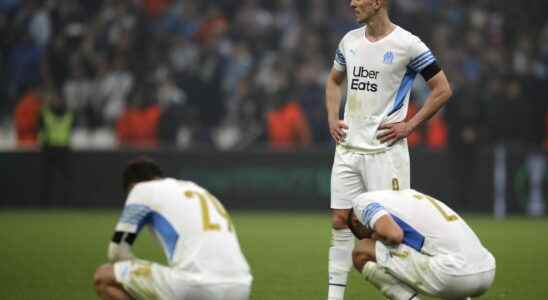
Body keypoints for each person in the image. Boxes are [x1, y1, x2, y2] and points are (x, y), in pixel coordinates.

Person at [324, 1, 453, 299]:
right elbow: (333, 82)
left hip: (385, 153)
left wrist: (410, 125)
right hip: (348, 148)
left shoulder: (408, 44)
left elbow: (443, 89)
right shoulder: (349, 41)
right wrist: (332, 117)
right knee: (340, 220)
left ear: (379, 2)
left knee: (394, 232)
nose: (353, 2)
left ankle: (408, 294)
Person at [93, 159, 253, 300]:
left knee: (104, 276)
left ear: (132, 186)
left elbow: (116, 253)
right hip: (241, 287)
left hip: (195, 287)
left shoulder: (140, 190)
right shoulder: (197, 189)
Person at [349, 189, 496, 300]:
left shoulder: (361, 202)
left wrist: (375, 235)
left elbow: (394, 235)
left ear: (356, 221)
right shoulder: (406, 196)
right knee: (437, 249)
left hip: (453, 274)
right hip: (487, 268)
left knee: (362, 250)